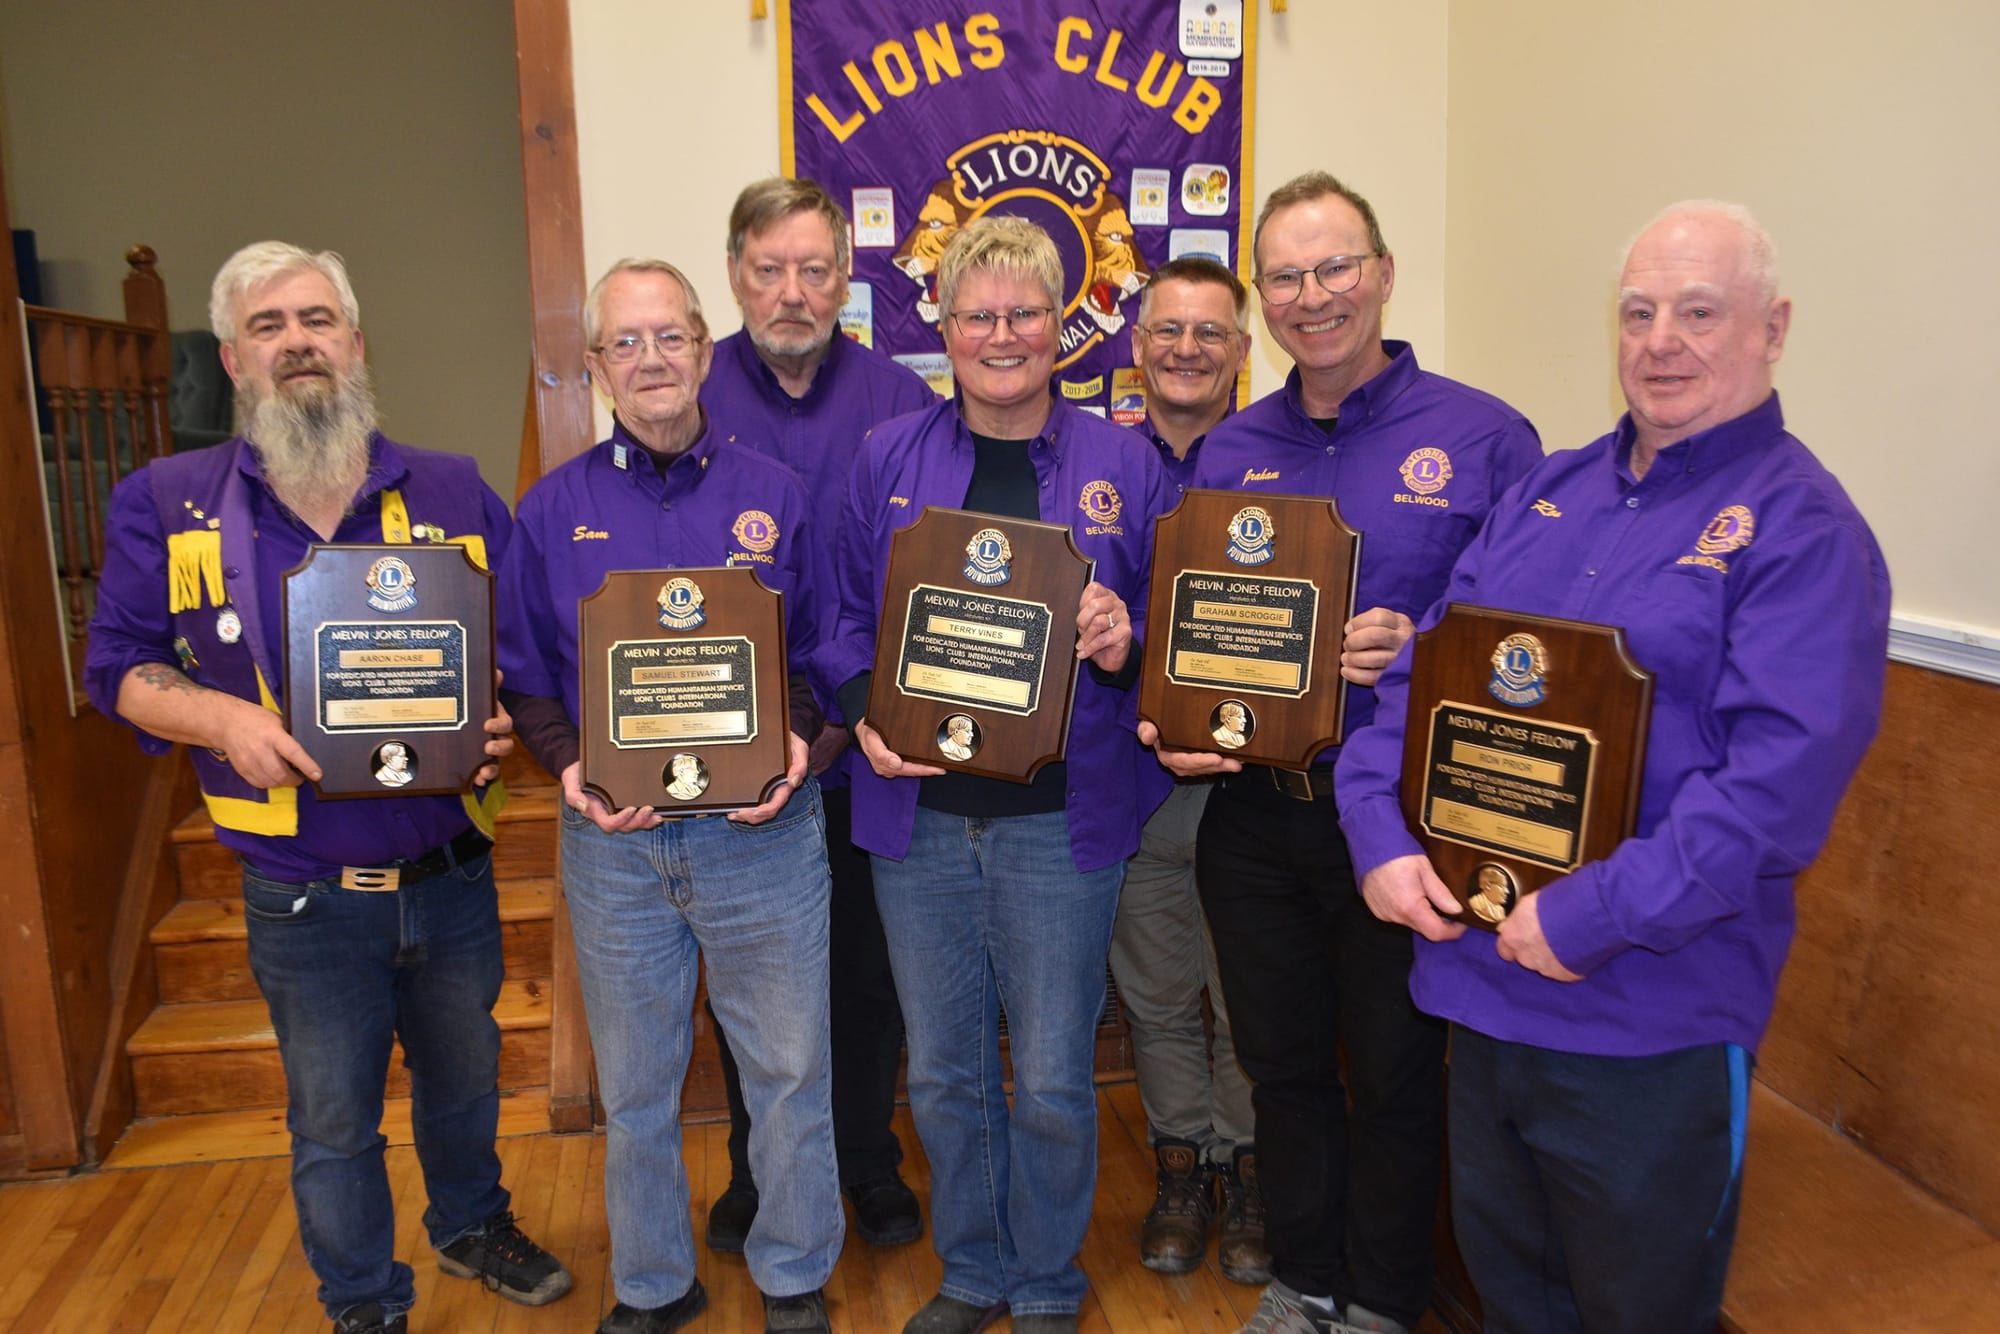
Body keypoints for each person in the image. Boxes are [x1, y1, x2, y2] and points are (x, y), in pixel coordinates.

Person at [1336, 201, 1890, 1334]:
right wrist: (1379, 838)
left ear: (1770, 328)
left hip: (1647, 1021)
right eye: (1638, 312)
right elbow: (1417, 685)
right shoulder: (1549, 492)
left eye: (1698, 312)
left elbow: (1768, 796)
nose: (1660, 341)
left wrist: (1587, 917)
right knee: (1512, 1302)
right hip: (1480, 996)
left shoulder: (1801, 530)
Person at [85, 241, 569, 1334]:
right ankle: (361, 1299)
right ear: (234, 358)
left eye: (317, 319)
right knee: (334, 1118)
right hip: (302, 889)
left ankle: (469, 1222)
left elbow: (522, 645)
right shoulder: (166, 501)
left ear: (355, 343)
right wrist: (220, 716)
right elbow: (117, 664)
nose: (296, 340)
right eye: (269, 326)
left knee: (463, 1081)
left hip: (449, 874)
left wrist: (504, 723)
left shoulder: (447, 486)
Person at [1143, 173, 1543, 1334]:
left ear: (1379, 272)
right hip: (1255, 816)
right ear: (1261, 298)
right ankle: (1306, 1275)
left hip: (1404, 824)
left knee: (1396, 1075)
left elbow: (1535, 648)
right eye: (1285, 276)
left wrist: (1420, 643)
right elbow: (1194, 622)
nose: (1311, 296)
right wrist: (1171, 710)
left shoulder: (1482, 436)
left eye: (1333, 268)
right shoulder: (1230, 446)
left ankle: (1379, 1297)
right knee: (1282, 1068)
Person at [814, 215, 1170, 1334]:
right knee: (947, 1075)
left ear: (1059, 325)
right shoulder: (884, 459)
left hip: (1060, 819)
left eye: (1023, 312)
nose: (1002, 334)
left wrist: (1124, 641)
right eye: (979, 314)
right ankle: (972, 1270)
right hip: (916, 814)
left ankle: (1048, 1276)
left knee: (1059, 1074)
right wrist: (864, 711)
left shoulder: (1126, 463)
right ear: (944, 325)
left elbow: (1181, 635)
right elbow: (830, 626)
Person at [496, 258, 840, 1334]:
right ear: (595, 366)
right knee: (637, 1086)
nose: (651, 360)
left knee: (788, 1071)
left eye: (670, 337)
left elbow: (835, 649)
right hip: (615, 844)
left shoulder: (775, 495)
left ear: (704, 346)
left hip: (763, 836)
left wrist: (802, 747)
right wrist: (566, 768)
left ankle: (792, 1272)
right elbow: (526, 671)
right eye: (625, 342)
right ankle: (653, 1282)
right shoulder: (550, 510)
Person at [697, 176, 937, 1254]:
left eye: (813, 268)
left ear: (847, 277)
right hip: (728, 757)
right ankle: (761, 1168)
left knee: (862, 979)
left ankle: (869, 1161)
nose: (790, 291)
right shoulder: (685, 393)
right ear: (735, 274)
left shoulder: (900, 401)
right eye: (768, 268)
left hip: (862, 748)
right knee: (748, 988)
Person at [1112, 255, 1267, 1282]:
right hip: (1130, 783)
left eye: (1209, 332)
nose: (1184, 349)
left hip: (1253, 785)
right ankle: (1179, 1163)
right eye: (1167, 329)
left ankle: (1248, 1169)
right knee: (1158, 988)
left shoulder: (1274, 461)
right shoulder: (1088, 460)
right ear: (1136, 345)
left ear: (1242, 352)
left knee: (1248, 990)